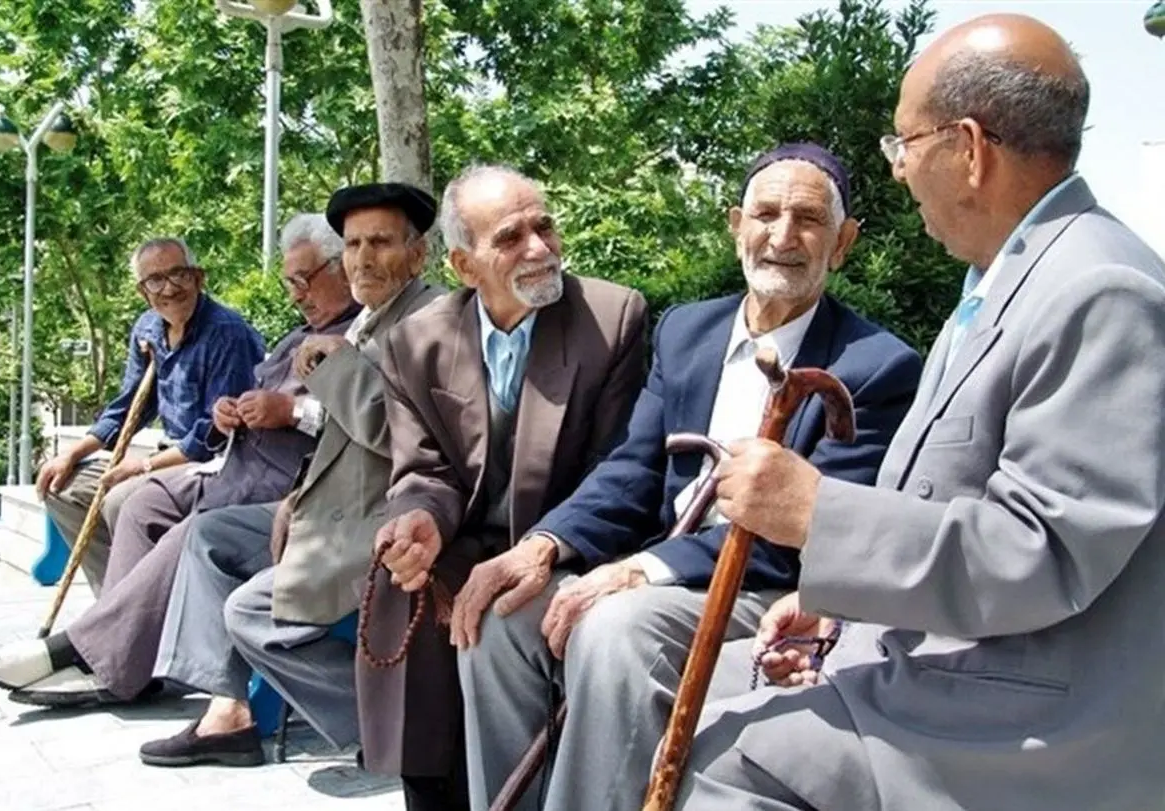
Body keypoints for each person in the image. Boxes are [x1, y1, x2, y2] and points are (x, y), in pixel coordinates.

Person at [674, 14, 1165, 811]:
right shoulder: (1008, 280)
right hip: (960, 659)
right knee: (671, 687)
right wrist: (842, 603)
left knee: (733, 755)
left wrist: (817, 513)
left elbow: (1042, 553)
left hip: (1036, 716)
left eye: (903, 145)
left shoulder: (1100, 290)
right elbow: (954, 503)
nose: (899, 171)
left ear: (968, 149)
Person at [454, 144, 922, 811]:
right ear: (736, 224)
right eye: (764, 213)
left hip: (768, 591)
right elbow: (630, 469)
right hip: (666, 573)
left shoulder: (876, 367)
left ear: (842, 243)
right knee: (504, 614)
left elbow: (799, 539)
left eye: (809, 220)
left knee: (618, 629)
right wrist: (544, 546)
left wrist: (642, 569)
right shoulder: (686, 331)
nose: (782, 236)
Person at [0, 214, 358, 706]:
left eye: (306, 279)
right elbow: (134, 405)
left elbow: (364, 416)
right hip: (232, 466)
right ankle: (124, 654)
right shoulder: (284, 332)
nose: (296, 293)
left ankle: (91, 653)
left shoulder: (348, 334)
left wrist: (290, 411)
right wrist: (232, 414)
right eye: (290, 281)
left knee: (186, 528)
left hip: (281, 486)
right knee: (139, 506)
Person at [360, 165, 649, 811]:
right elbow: (423, 470)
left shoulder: (613, 316)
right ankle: (429, 791)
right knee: (397, 579)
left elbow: (618, 467)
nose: (540, 248)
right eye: (511, 237)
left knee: (497, 607)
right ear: (465, 266)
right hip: (466, 539)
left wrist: (545, 548)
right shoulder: (414, 341)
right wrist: (420, 520)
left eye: (544, 225)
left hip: (569, 543)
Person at [138, 183, 444, 769]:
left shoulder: (430, 317)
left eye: (379, 242)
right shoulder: (368, 320)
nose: (364, 257)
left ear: (418, 253)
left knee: (250, 612)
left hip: (379, 520)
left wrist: (334, 367)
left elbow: (391, 432)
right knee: (210, 535)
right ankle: (228, 711)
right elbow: (335, 429)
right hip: (320, 506)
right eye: (354, 244)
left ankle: (391, 718)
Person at [37, 236, 265, 592]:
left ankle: (132, 611)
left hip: (217, 463)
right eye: (155, 280)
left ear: (198, 278)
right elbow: (129, 407)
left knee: (119, 500)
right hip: (169, 455)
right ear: (143, 291)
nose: (169, 288)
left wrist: (141, 468)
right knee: (61, 488)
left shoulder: (227, 333)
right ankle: (115, 600)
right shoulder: (147, 329)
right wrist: (72, 454)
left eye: (179, 275)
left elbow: (213, 434)